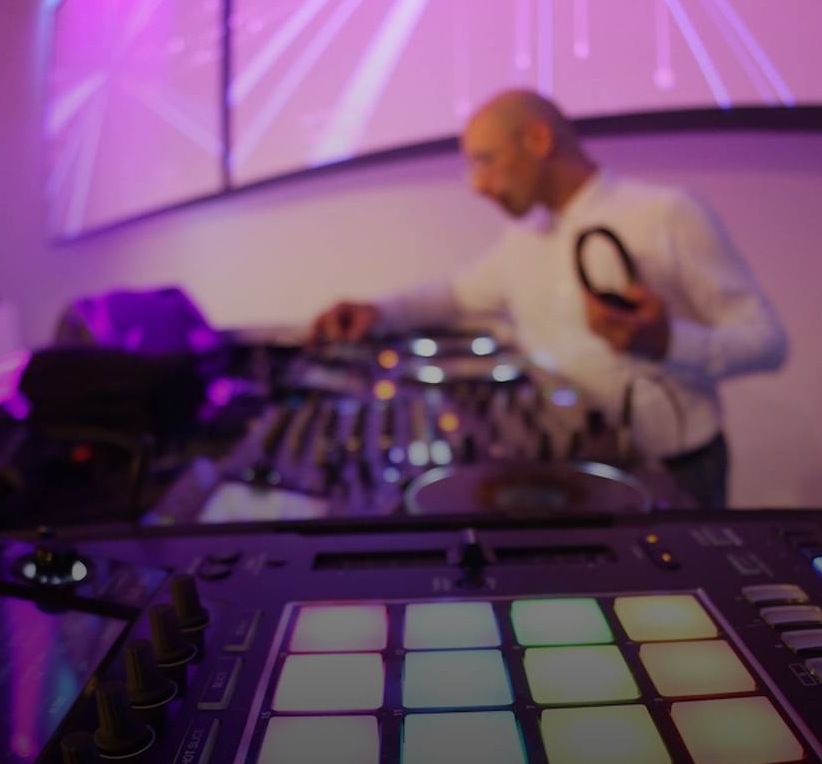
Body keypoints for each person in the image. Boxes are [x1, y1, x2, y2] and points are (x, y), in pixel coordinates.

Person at [310, 89, 787, 507]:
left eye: (486, 161)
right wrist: (377, 312)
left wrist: (666, 343)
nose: (478, 186)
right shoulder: (525, 238)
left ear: (539, 140)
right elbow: (456, 294)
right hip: (568, 471)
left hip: (675, 470)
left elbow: (766, 341)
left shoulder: (666, 214)